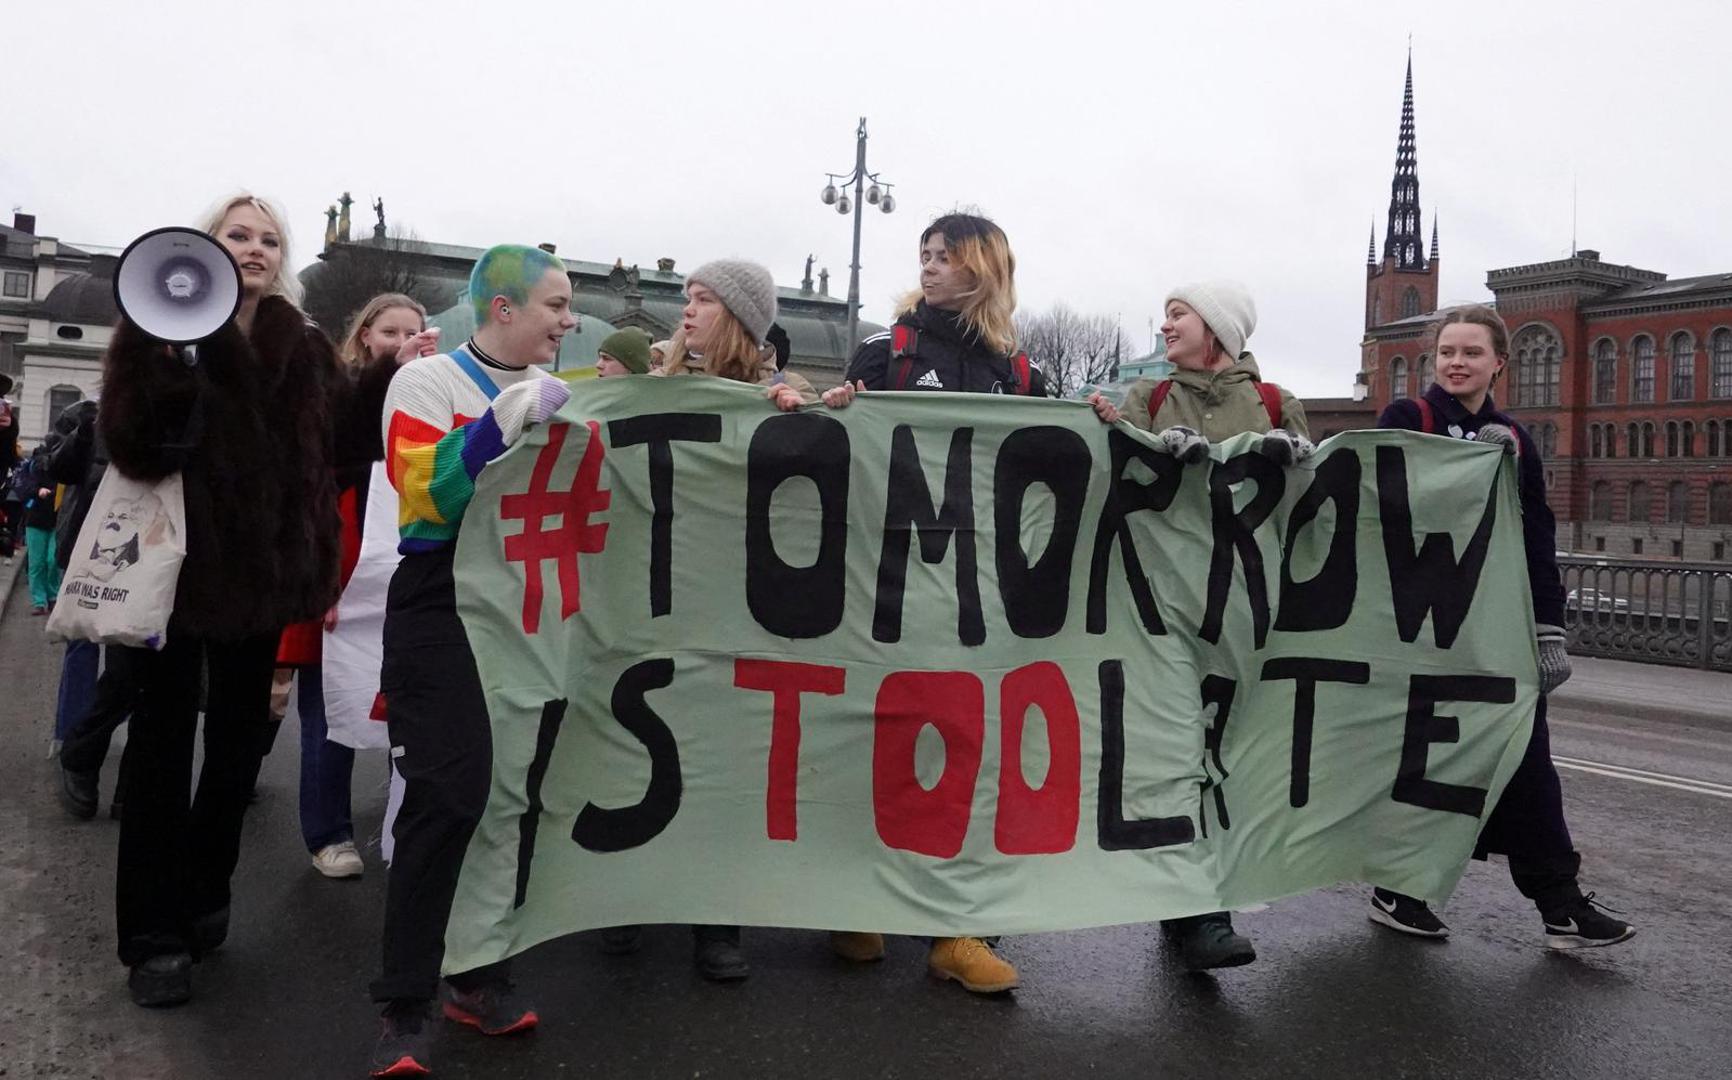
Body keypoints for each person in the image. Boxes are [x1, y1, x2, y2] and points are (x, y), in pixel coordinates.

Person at [97, 192, 387, 1008]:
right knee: (158, 759)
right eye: (237, 235)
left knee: (234, 754)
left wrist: (389, 378)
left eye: (268, 239)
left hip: (263, 582)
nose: (254, 248)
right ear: (207, 246)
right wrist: (170, 372)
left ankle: (205, 892)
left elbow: (345, 441)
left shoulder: (299, 339)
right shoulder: (158, 325)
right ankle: (152, 937)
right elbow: (127, 442)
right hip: (176, 581)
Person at [1366, 304, 1634, 950]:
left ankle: (1559, 901)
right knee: (1421, 758)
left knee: (1525, 757)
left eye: (1471, 353)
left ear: (1499, 364)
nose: (1456, 363)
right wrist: (1465, 475)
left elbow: (1536, 539)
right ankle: (1396, 887)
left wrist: (1549, 629)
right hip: (1420, 629)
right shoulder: (1409, 420)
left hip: (1494, 630)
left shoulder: (1516, 438)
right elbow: (1380, 506)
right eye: (1446, 352)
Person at [823, 212, 1044, 994]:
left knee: (969, 758)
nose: (929, 266)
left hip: (977, 598)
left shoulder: (1022, 376)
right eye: (923, 254)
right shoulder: (886, 354)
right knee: (875, 742)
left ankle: (959, 930)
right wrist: (822, 409)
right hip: (885, 587)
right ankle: (856, 901)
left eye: (944, 257)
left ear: (982, 268)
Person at [370, 244, 574, 1078]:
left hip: (528, 608)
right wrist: (500, 423)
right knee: (448, 794)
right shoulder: (425, 383)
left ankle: (477, 973)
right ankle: (403, 1002)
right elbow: (422, 497)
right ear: (503, 309)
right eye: (556, 305)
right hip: (444, 601)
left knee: (510, 795)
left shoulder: (572, 391)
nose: (567, 320)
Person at [1089, 281, 1311, 973]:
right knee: (1178, 750)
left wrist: (1299, 462)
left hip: (1245, 611)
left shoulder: (1276, 404)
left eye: (1178, 313)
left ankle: (1192, 900)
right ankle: (1199, 911)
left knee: (1228, 757)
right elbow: (1105, 475)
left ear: (1216, 327)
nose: (1165, 325)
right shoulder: (1149, 400)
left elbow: (1317, 506)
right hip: (1158, 609)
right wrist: (1141, 445)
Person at [615, 261, 812, 983]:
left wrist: (806, 418)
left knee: (724, 764)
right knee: (639, 747)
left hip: (739, 607)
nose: (686, 312)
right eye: (686, 298)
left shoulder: (780, 396)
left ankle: (715, 922)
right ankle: (625, 900)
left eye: (703, 300)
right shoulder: (649, 385)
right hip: (654, 598)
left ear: (739, 317)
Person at [282, 293, 436, 880]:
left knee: (412, 713)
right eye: (390, 332)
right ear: (365, 337)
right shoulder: (336, 398)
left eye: (413, 333)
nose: (401, 342)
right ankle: (327, 833)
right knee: (330, 711)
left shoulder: (434, 397)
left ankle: (403, 824)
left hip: (404, 577)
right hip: (341, 576)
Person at [17, 444, 63, 615]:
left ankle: (52, 596)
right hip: (34, 521)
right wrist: (37, 491)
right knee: (36, 563)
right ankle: (39, 601)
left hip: (55, 521)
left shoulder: (59, 470)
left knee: (52, 560)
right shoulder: (29, 469)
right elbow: (22, 488)